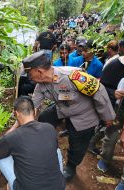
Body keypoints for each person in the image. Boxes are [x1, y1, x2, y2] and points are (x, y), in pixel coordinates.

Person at [8, 51, 115, 181]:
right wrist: (14, 129)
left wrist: (107, 117)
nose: (29, 78)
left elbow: (99, 92)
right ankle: (48, 144)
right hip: (64, 108)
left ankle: (71, 166)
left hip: (84, 115)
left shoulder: (73, 76)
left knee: (77, 144)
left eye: (30, 74)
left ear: (39, 72)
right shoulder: (41, 85)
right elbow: (30, 106)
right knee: (45, 118)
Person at [0, 96, 65, 190]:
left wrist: (15, 126)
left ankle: (11, 186)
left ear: (16, 114)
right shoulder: (49, 128)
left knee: (1, 156)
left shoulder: (12, 137)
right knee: (56, 151)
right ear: (35, 111)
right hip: (59, 186)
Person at [97, 42, 124, 173]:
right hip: (115, 107)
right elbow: (100, 88)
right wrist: (113, 92)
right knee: (112, 135)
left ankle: (92, 141)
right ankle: (105, 159)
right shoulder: (115, 65)